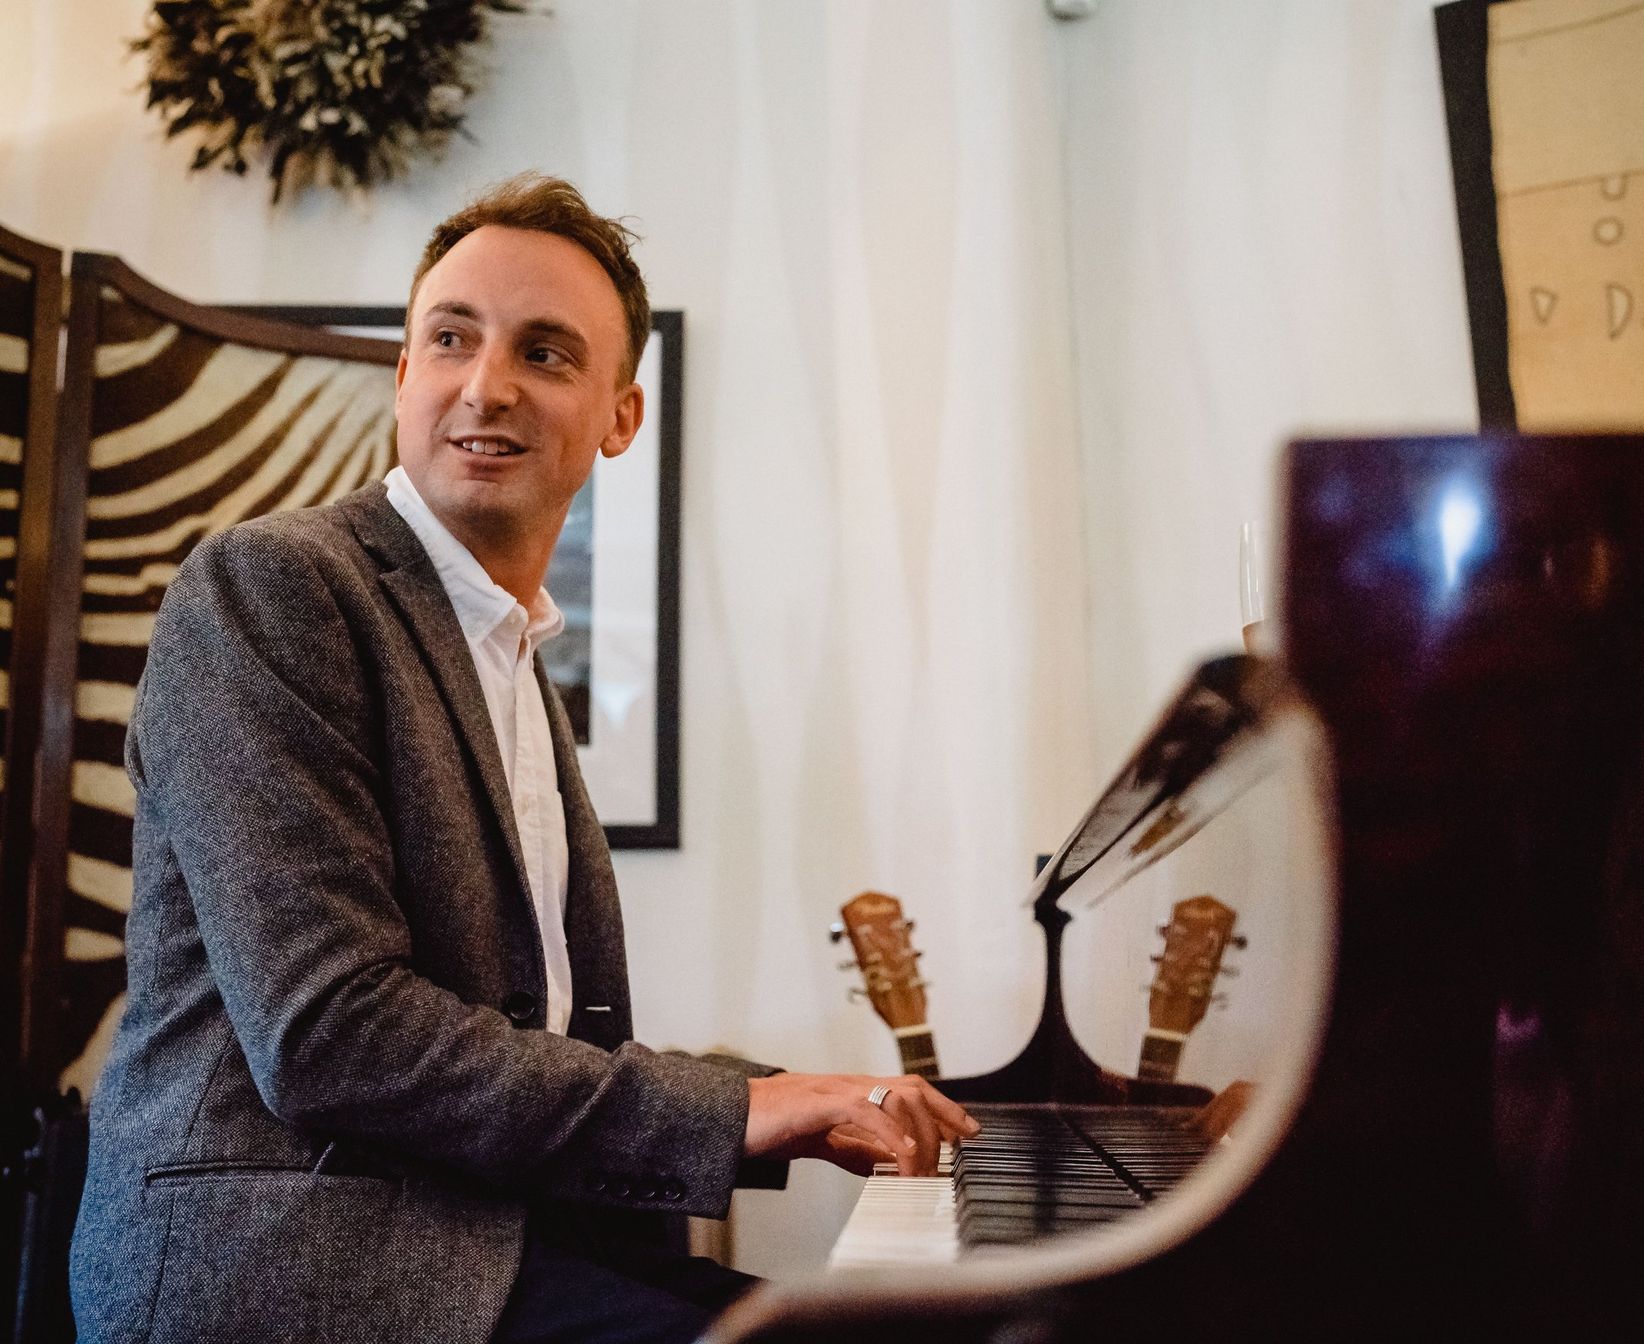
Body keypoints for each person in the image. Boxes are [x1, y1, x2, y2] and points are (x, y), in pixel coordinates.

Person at [68, 173, 974, 1344]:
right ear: (404, 371)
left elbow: (532, 1038)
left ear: (619, 416)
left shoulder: (506, 651)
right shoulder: (273, 587)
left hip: (482, 1252)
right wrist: (742, 1108)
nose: (485, 386)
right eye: (450, 338)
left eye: (546, 354)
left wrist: (795, 1099)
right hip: (283, 1277)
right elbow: (331, 1035)